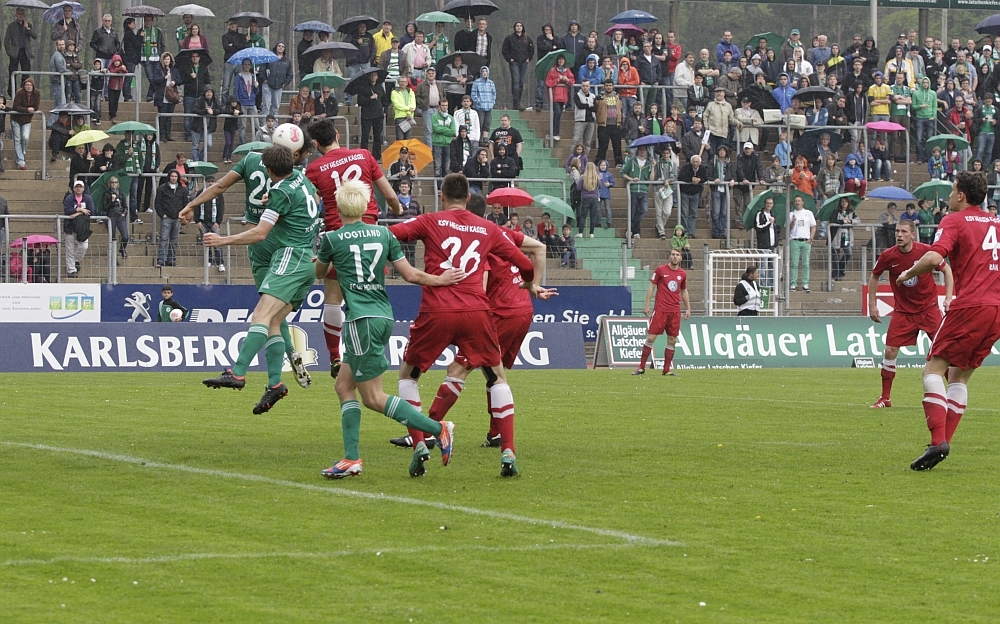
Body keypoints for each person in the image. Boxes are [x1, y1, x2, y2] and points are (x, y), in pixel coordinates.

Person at [387, 173, 542, 476]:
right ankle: (508, 451)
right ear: (469, 199)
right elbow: (525, 263)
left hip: (437, 310)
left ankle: (420, 443)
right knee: (497, 377)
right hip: (476, 312)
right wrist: (528, 284)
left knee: (408, 376)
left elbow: (390, 235)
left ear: (441, 196)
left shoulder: (430, 220)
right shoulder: (488, 228)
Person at [314, 179, 462, 479]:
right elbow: (410, 274)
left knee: (373, 397)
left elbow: (320, 272)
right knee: (343, 386)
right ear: (366, 205)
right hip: (382, 315)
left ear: (338, 206)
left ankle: (438, 429)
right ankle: (351, 458)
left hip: (360, 321)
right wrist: (441, 279)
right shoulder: (383, 234)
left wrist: (327, 260)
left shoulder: (332, 239)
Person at [199, 146, 319, 414]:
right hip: (308, 260)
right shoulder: (301, 178)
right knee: (274, 321)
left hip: (290, 257)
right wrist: (273, 201)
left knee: (260, 316)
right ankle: (275, 383)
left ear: (269, 170)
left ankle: (238, 372)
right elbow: (308, 200)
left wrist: (222, 240)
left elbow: (260, 233)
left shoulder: (280, 191)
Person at [304, 119, 402, 374]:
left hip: (338, 235)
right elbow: (390, 195)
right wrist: (397, 209)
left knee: (333, 298)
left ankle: (335, 357)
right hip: (370, 234)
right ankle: (369, 352)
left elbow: (308, 204)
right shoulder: (364, 155)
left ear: (315, 143)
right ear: (337, 134)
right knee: (371, 292)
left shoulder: (314, 169)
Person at [868, 220, 953, 408]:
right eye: (897, 231)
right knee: (890, 351)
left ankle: (952, 395)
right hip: (903, 311)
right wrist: (872, 305)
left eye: (904, 232)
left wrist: (948, 298)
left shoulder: (926, 252)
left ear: (912, 235)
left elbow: (946, 269)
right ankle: (885, 398)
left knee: (943, 351)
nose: (899, 235)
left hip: (929, 309)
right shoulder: (888, 255)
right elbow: (875, 275)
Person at [634, 248, 691, 375]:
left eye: (677, 255)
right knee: (651, 337)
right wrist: (647, 305)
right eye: (673, 254)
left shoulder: (682, 274)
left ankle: (666, 369)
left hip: (675, 311)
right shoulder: (660, 270)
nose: (675, 257)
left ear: (681, 258)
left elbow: (684, 291)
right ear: (669, 257)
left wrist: (688, 308)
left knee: (672, 340)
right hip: (660, 310)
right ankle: (641, 367)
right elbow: (651, 287)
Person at [154, 170, 188, 267]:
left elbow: (185, 203)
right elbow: (157, 203)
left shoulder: (183, 190)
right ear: (169, 177)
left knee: (174, 240)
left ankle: (171, 259)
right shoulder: (162, 188)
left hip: (177, 218)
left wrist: (182, 215)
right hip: (166, 217)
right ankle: (161, 260)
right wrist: (162, 214)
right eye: (172, 176)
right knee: (164, 239)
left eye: (175, 176)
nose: (173, 178)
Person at [192, 175, 225, 271]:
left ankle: (220, 262)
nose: (210, 183)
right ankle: (209, 260)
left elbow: (221, 208)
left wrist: (218, 221)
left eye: (212, 181)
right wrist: (197, 221)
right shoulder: (200, 193)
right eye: (208, 181)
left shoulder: (218, 193)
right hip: (203, 221)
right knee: (207, 242)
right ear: (205, 182)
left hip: (214, 222)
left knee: (217, 242)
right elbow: (196, 206)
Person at [63, 180, 93, 278]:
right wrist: (80, 209)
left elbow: (91, 211)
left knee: (84, 246)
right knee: (70, 249)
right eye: (77, 187)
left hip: (82, 227)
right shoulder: (69, 198)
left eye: (80, 187)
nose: (78, 188)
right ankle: (71, 270)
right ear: (74, 188)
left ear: (83, 188)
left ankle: (75, 260)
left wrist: (77, 213)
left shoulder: (88, 198)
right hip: (70, 227)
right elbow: (67, 211)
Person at [5, 8, 37, 98]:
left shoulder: (28, 25)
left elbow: (35, 36)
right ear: (16, 15)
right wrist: (9, 52)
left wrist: (28, 29)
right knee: (12, 72)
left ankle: (24, 93)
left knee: (26, 73)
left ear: (25, 15)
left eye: (22, 14)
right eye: (19, 14)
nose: (20, 15)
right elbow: (6, 40)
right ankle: (12, 93)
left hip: (26, 52)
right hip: (15, 52)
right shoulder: (11, 26)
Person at [148, 52, 180, 141]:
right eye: (165, 59)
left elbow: (180, 79)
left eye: (168, 59)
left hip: (171, 96)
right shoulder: (159, 69)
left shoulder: (174, 70)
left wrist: (175, 81)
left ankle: (168, 134)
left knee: (169, 117)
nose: (167, 61)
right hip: (162, 96)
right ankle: (162, 135)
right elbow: (154, 80)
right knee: (162, 116)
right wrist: (164, 78)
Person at [622, 145, 652, 238]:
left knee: (644, 209)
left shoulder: (648, 163)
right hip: (634, 189)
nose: (642, 152)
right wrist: (631, 179)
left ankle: (631, 228)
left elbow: (651, 178)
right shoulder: (632, 161)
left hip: (644, 190)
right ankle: (636, 231)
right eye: (641, 150)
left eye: (644, 150)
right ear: (638, 151)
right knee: (633, 211)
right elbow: (622, 172)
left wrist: (653, 166)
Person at [502, 22, 534, 111]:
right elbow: (504, 50)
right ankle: (516, 103)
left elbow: (531, 50)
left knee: (521, 83)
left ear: (522, 27)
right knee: (515, 82)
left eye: (520, 26)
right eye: (517, 26)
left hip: (524, 62)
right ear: (514, 27)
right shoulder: (509, 38)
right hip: (514, 62)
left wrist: (529, 58)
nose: (519, 27)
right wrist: (509, 59)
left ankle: (518, 102)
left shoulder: (527, 38)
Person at [787, 195, 816, 292]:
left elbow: (813, 226)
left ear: (802, 202)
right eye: (795, 201)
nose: (797, 202)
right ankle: (793, 283)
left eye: (799, 201)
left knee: (806, 263)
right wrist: (793, 222)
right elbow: (787, 229)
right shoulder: (791, 214)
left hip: (806, 241)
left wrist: (811, 238)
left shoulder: (808, 213)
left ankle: (805, 283)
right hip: (795, 240)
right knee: (794, 263)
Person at [357, 71, 387, 160]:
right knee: (365, 136)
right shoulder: (363, 87)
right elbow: (360, 102)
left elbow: (385, 100)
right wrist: (370, 98)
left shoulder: (380, 87)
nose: (373, 77)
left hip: (378, 115)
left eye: (374, 75)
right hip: (366, 115)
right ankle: (363, 155)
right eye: (371, 75)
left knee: (377, 136)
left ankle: (376, 155)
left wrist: (385, 111)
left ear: (377, 77)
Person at [260, 42, 293, 118]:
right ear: (276, 47)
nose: (280, 47)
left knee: (276, 107)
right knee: (266, 105)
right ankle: (264, 123)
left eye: (282, 46)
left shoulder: (287, 61)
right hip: (267, 85)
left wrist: (285, 83)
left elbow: (290, 75)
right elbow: (262, 69)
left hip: (279, 86)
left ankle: (275, 124)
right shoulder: (269, 57)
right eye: (279, 46)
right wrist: (264, 79)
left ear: (284, 49)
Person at [678, 154, 708, 235]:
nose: (695, 163)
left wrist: (699, 179)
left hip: (695, 193)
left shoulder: (702, 169)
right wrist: (691, 179)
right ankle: (685, 231)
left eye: (697, 162)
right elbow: (680, 177)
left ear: (700, 163)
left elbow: (706, 177)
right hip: (685, 192)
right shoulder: (685, 168)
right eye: (694, 161)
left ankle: (691, 231)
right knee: (684, 213)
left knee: (693, 213)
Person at [831, 196, 860, 279]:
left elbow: (858, 220)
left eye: (846, 202)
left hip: (846, 236)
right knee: (835, 256)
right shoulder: (836, 212)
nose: (844, 203)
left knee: (848, 253)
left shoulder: (851, 212)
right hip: (836, 236)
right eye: (842, 202)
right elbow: (832, 220)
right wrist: (842, 221)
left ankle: (841, 266)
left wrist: (850, 221)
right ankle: (836, 275)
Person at [10, 77, 37, 171]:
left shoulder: (37, 94)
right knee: (17, 139)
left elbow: (36, 106)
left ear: (33, 86)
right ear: (24, 86)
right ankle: (21, 161)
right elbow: (15, 106)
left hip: (27, 120)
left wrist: (32, 109)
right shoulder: (19, 93)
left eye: (30, 85)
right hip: (16, 119)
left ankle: (22, 152)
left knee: (25, 137)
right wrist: (27, 109)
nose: (28, 87)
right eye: (27, 85)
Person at [545, 53, 572, 141]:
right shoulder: (552, 70)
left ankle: (553, 132)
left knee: (558, 114)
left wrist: (567, 80)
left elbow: (572, 81)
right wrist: (557, 80)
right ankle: (555, 133)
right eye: (559, 59)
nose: (561, 61)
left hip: (563, 97)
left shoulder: (567, 70)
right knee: (558, 113)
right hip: (555, 96)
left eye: (562, 59)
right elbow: (548, 82)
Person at [234, 58, 259, 144]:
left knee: (256, 125)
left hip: (252, 103)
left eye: (248, 64)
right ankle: (243, 144)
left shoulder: (253, 77)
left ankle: (256, 143)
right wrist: (237, 104)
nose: (247, 66)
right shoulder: (238, 77)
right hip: (242, 103)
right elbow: (236, 91)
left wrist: (256, 86)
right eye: (245, 64)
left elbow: (257, 92)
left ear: (251, 66)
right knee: (242, 126)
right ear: (242, 65)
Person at [220, 19, 247, 100]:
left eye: (234, 24)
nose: (233, 25)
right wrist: (237, 46)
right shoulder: (225, 36)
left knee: (239, 85)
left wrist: (233, 45)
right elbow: (227, 48)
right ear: (228, 25)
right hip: (229, 61)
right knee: (226, 86)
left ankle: (238, 102)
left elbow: (243, 47)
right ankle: (224, 104)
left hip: (239, 62)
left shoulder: (242, 36)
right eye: (231, 24)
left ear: (237, 25)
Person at [191, 86, 219, 161]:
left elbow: (220, 109)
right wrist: (205, 111)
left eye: (210, 92)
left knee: (209, 144)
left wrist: (213, 111)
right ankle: (196, 161)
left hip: (208, 127)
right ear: (204, 93)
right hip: (197, 126)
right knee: (195, 146)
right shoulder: (200, 100)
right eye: (207, 92)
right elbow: (195, 110)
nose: (209, 93)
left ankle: (200, 158)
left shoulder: (215, 100)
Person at [390, 75, 416, 140]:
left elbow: (413, 104)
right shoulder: (394, 92)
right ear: (398, 83)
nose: (402, 83)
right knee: (400, 139)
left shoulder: (411, 92)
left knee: (408, 139)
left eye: (404, 81)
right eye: (401, 81)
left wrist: (409, 113)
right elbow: (396, 105)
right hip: (399, 117)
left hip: (409, 117)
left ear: (407, 83)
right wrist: (408, 109)